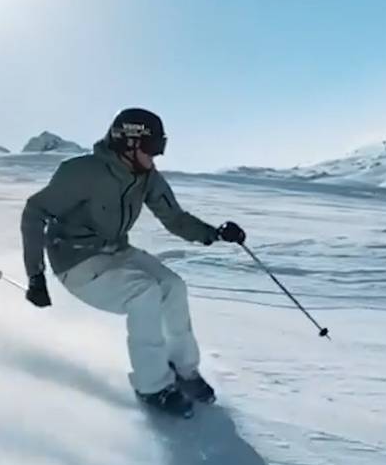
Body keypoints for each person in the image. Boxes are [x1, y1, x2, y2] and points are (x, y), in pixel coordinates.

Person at [20, 108, 246, 418]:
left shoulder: (146, 177)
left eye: (160, 148)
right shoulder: (82, 172)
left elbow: (175, 218)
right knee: (145, 294)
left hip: (117, 250)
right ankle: (152, 386)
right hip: (76, 261)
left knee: (172, 287)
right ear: (128, 143)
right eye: (153, 148)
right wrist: (35, 275)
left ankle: (184, 370)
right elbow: (35, 211)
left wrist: (215, 233)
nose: (157, 156)